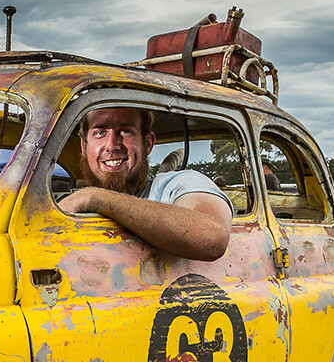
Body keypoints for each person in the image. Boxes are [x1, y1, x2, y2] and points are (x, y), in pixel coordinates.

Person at [58, 107, 232, 262]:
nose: (111, 145)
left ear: (147, 143)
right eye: (100, 133)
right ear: (83, 145)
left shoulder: (174, 185)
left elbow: (212, 239)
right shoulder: (66, 201)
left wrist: (93, 197)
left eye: (125, 131)